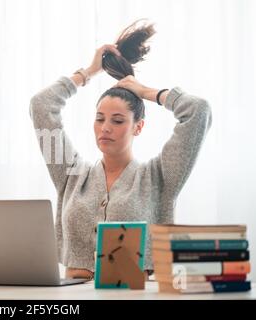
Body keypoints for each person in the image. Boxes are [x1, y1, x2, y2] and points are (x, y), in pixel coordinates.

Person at [29, 21, 212, 279]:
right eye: (99, 118)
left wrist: (146, 91)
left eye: (117, 121)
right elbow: (41, 105)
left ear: (138, 127)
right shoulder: (71, 174)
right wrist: (89, 72)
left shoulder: (159, 178)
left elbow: (198, 111)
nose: (105, 128)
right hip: (72, 297)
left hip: (133, 296)